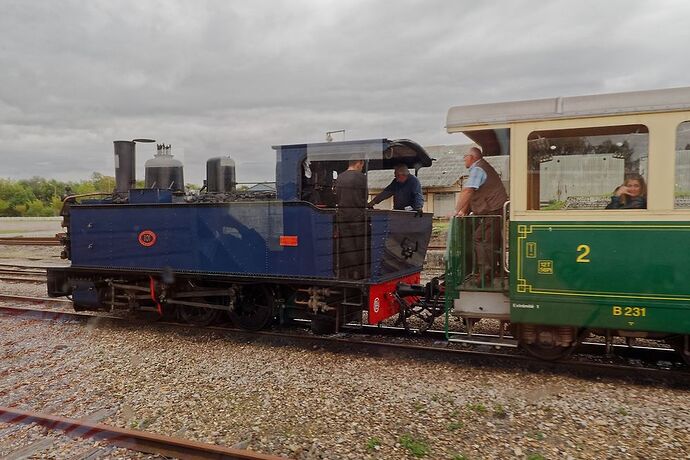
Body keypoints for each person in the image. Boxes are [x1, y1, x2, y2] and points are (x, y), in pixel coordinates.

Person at [454, 147, 508, 284]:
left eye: (465, 157)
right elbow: (474, 194)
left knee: (481, 238)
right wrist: (463, 211)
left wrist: (456, 210)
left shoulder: (478, 169)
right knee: (491, 240)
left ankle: (485, 275)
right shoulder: (482, 167)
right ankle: (495, 270)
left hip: (493, 210)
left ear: (472, 157)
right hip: (495, 210)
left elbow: (468, 191)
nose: (464, 160)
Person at [335, 158, 368, 279]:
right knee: (361, 244)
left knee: (348, 245)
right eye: (362, 164)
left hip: (343, 215)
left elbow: (337, 196)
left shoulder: (340, 177)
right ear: (359, 162)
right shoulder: (362, 178)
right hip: (358, 214)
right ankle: (359, 273)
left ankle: (350, 271)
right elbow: (365, 197)